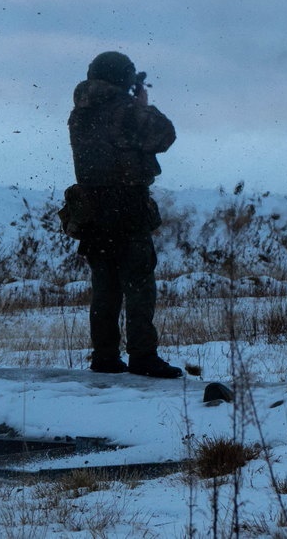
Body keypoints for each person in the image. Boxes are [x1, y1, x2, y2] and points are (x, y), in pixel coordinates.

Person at [67, 51, 181, 378]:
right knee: (139, 285)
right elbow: (164, 135)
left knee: (105, 288)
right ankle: (143, 356)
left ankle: (105, 356)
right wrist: (142, 104)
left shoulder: (80, 113)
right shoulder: (127, 110)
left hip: (93, 210)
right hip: (127, 207)